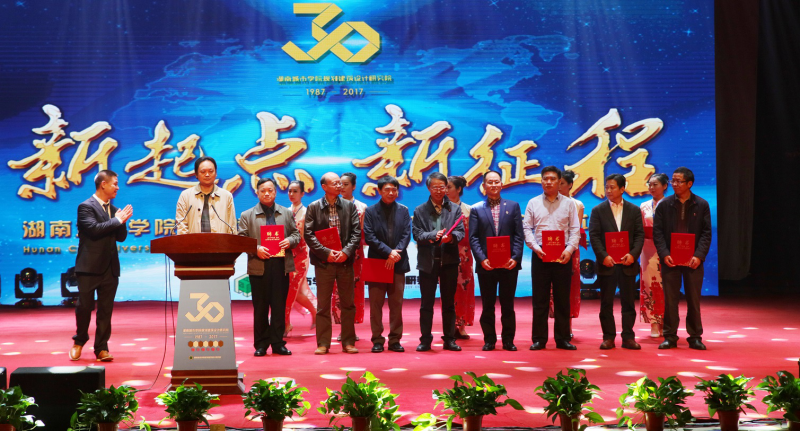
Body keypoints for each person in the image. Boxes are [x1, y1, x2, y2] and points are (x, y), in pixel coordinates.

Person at [69, 170, 133, 362]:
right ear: (103, 184)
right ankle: (79, 341)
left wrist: (122, 221)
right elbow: (94, 230)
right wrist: (118, 220)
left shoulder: (115, 210)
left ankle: (101, 348)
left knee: (106, 310)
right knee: (84, 307)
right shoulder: (85, 207)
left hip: (110, 268)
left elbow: (121, 237)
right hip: (89, 267)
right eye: (115, 183)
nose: (118, 188)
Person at [238, 178, 300, 356]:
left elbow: (296, 234)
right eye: (263, 190)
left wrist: (289, 241)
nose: (267, 193)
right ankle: (261, 344)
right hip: (259, 266)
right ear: (257, 193)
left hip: (281, 265)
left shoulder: (286, 213)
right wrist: (256, 248)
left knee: (279, 307)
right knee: (260, 308)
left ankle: (278, 343)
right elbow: (241, 239)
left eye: (270, 190)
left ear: (275, 192)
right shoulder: (247, 215)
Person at [653, 167, 712, 350]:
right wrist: (664, 254)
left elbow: (706, 233)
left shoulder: (701, 204)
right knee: (670, 300)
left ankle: (695, 336)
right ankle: (670, 336)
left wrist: (699, 256)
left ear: (689, 184)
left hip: (693, 260)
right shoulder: (664, 204)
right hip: (670, 260)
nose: (674, 184)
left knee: (693, 300)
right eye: (673, 181)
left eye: (679, 181)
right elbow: (657, 233)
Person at [523, 166, 581, 350]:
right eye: (545, 178)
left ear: (559, 182)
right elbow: (526, 228)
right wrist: (535, 247)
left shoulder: (569, 203)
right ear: (541, 181)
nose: (548, 182)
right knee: (539, 299)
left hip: (562, 255)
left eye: (552, 179)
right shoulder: (533, 203)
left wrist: (569, 250)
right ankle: (539, 339)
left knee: (562, 299)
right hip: (540, 254)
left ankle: (562, 338)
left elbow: (575, 230)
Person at [305, 172, 361, 354]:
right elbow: (309, 235)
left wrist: (345, 252)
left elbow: (356, 233)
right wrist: (326, 253)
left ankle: (348, 341)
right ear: (324, 187)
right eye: (335, 183)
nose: (339, 186)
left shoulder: (349, 206)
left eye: (340, 183)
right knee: (323, 305)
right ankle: (323, 343)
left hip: (345, 261)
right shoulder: (314, 207)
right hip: (324, 262)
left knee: (348, 303)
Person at [468, 171, 524, 351]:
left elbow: (519, 235)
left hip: (509, 265)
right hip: (487, 265)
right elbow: (473, 238)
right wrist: (482, 259)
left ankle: (508, 340)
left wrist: (515, 258)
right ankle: (489, 340)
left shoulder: (513, 206)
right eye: (489, 182)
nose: (493, 185)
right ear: (484, 186)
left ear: (501, 184)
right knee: (488, 305)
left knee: (508, 305)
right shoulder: (476, 209)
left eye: (496, 182)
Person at [588, 174, 645, 350]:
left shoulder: (634, 210)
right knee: (606, 302)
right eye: (607, 187)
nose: (608, 190)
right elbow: (594, 236)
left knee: (628, 302)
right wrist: (603, 256)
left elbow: (639, 235)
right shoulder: (598, 210)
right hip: (608, 263)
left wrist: (633, 255)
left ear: (622, 189)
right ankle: (608, 337)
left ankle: (628, 337)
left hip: (628, 263)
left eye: (612, 187)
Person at [412, 172, 465, 352]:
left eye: (442, 187)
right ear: (429, 188)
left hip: (449, 261)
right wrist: (433, 235)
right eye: (435, 187)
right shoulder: (420, 210)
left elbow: (460, 232)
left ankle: (449, 339)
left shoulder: (454, 209)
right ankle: (425, 339)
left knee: (449, 303)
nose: (439, 190)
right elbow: (417, 234)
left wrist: (450, 238)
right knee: (426, 304)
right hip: (428, 262)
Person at [362, 176, 411, 353]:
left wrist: (395, 253)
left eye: (394, 189)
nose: (391, 193)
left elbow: (406, 235)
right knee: (375, 305)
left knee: (396, 304)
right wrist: (388, 252)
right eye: (387, 189)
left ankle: (395, 339)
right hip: (377, 262)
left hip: (398, 262)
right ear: (380, 191)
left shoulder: (404, 210)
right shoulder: (370, 211)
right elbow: (369, 236)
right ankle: (377, 339)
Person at [331, 172, 367, 340]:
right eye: (339, 184)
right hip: (336, 253)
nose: (341, 187)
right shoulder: (332, 205)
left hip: (356, 255)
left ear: (353, 186)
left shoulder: (362, 207)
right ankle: (342, 328)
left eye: (345, 184)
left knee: (355, 290)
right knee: (338, 291)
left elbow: (364, 233)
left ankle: (351, 327)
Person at [550, 170, 585, 338]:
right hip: (551, 247)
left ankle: (567, 327)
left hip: (570, 249)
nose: (558, 186)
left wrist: (569, 248)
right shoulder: (548, 201)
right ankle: (555, 326)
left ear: (570, 185)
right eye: (557, 183)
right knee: (552, 288)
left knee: (568, 288)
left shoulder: (577, 204)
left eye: (562, 183)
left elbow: (576, 230)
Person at [284, 180, 317, 337]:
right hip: (286, 256)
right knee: (296, 291)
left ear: (302, 193)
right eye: (290, 191)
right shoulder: (285, 211)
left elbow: (311, 236)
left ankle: (285, 323)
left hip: (301, 257)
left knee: (291, 291)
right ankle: (316, 311)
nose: (292, 194)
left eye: (295, 191)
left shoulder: (307, 212)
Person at [446, 175, 475, 340]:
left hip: (464, 256)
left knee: (464, 290)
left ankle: (462, 325)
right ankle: (449, 326)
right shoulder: (440, 208)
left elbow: (474, 235)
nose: (445, 190)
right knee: (448, 291)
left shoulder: (469, 210)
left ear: (458, 189)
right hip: (446, 254)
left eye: (449, 187)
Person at [176, 156, 237, 234]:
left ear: (216, 173)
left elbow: (232, 226)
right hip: (193, 242)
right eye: (203, 172)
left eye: (211, 171)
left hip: (220, 242)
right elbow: (182, 227)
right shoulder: (185, 196)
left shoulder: (226, 196)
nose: (207, 174)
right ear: (196, 174)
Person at [640, 173, 669, 338]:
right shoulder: (643, 206)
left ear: (664, 186)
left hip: (666, 248)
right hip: (648, 249)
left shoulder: (671, 204)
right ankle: (653, 322)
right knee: (649, 284)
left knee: (665, 285)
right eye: (649, 184)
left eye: (655, 184)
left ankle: (666, 322)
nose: (651, 187)